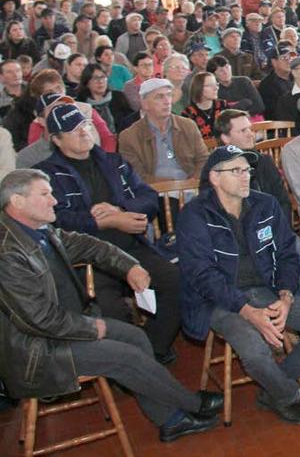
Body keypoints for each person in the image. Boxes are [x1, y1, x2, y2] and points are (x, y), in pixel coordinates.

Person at [0, 169, 223, 443]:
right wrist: (93, 327)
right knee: (125, 357)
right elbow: (38, 319)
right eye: (45, 194)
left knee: (136, 336)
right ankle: (191, 404)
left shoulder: (38, 231)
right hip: (38, 348)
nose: (54, 200)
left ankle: (169, 419)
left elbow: (89, 245)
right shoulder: (8, 252)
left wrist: (130, 266)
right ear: (18, 202)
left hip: (62, 329)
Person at [177, 146, 300, 425]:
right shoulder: (194, 215)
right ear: (215, 178)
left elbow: (287, 255)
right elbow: (202, 275)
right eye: (236, 171)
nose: (246, 177)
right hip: (218, 301)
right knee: (255, 353)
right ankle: (294, 395)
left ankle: (274, 390)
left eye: (247, 170)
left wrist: (286, 294)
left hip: (266, 289)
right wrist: (245, 309)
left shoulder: (264, 204)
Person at [36, 104, 182, 363]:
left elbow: (148, 198)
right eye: (73, 129)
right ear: (55, 139)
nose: (84, 132)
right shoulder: (47, 174)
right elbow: (56, 222)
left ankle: (152, 351)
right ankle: (131, 363)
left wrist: (120, 210)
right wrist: (107, 222)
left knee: (178, 283)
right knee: (110, 311)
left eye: (86, 125)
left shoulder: (113, 161)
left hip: (131, 246)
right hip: (88, 260)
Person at [214, 109, 300, 295]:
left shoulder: (264, 161)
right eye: (242, 131)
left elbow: (283, 201)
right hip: (242, 238)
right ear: (226, 138)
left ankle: (296, 302)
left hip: (275, 229)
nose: (250, 134)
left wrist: (280, 230)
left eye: (250, 129)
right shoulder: (218, 172)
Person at [118, 78, 210, 184]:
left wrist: (193, 182)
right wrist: (171, 187)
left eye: (169, 95)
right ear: (144, 104)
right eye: (159, 97)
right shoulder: (129, 136)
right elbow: (135, 175)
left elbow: (203, 159)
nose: (167, 101)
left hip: (192, 188)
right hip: (155, 193)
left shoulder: (188, 126)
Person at [77, 64, 134, 134]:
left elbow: (130, 119)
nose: (100, 81)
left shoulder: (118, 96)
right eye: (95, 78)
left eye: (103, 77)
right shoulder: (82, 103)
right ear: (87, 82)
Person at [181, 72, 229, 139]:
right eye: (210, 85)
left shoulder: (223, 105)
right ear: (199, 88)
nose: (216, 88)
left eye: (216, 84)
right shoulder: (188, 113)